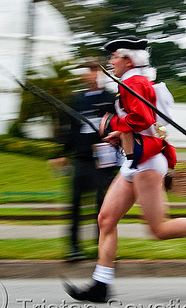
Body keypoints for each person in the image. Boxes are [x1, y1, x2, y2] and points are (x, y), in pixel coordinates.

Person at [64, 36, 186, 303]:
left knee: (157, 229)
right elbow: (142, 123)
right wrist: (118, 132)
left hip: (145, 162)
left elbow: (143, 119)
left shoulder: (134, 82)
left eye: (114, 57)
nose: (111, 62)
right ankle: (101, 284)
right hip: (135, 160)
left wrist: (114, 121)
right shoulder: (135, 81)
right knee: (106, 219)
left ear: (128, 59)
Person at [59, 59, 119, 262]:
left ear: (100, 74)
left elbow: (119, 125)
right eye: (86, 72)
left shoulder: (110, 99)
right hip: (82, 158)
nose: (90, 75)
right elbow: (70, 129)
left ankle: (102, 246)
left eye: (94, 71)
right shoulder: (76, 100)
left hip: (105, 160)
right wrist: (62, 153)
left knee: (104, 206)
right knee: (75, 203)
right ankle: (74, 248)